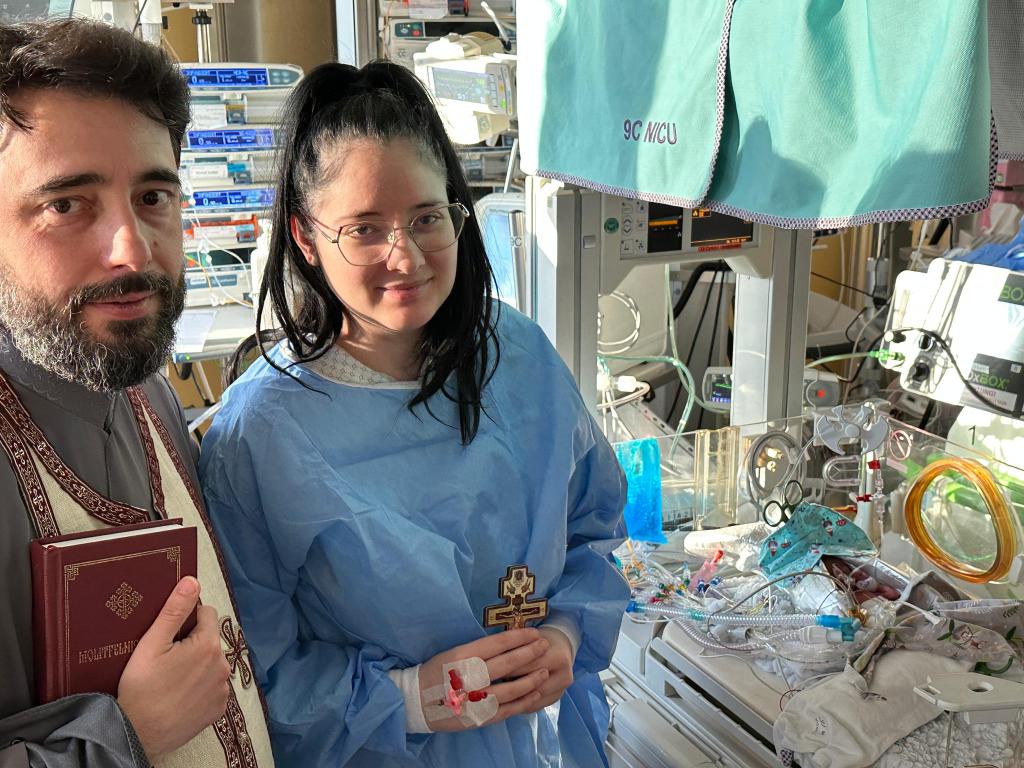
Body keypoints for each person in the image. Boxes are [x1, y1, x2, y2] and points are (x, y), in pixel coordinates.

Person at [198, 60, 631, 767]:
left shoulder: (518, 357)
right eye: (365, 229)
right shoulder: (259, 435)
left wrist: (566, 634)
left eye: (427, 218)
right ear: (306, 237)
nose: (405, 257)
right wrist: (407, 699)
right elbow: (251, 668)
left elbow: (594, 525)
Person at [0, 19, 273, 768]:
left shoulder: (147, 389)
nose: (132, 249)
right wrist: (128, 738)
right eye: (67, 205)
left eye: (152, 195)